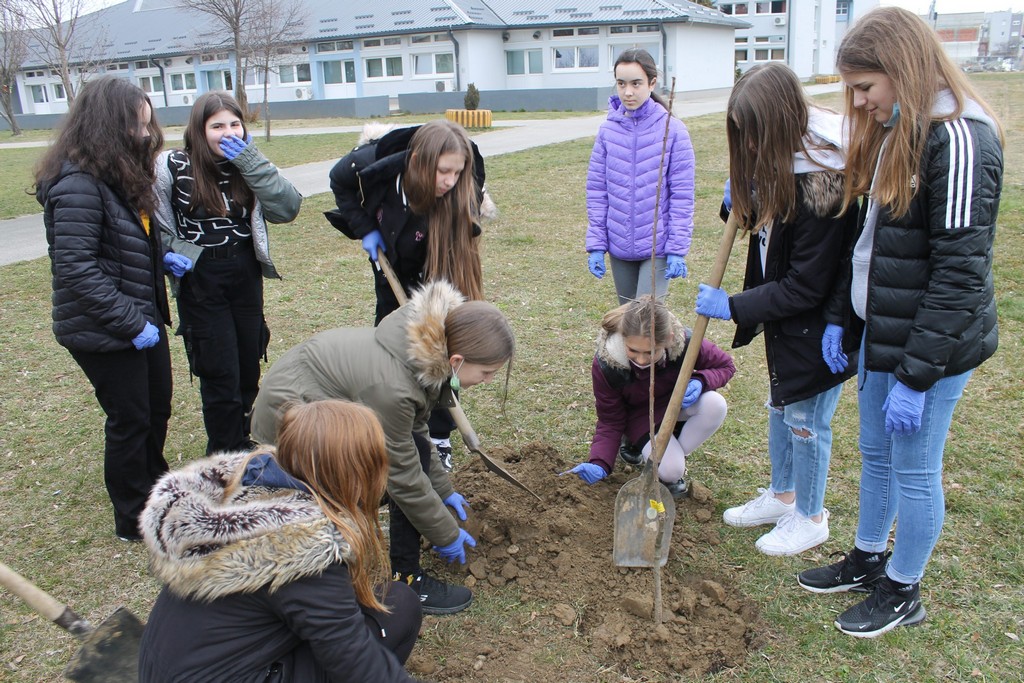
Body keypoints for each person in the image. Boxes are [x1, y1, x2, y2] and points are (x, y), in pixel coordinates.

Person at [795, 7, 1003, 638]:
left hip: (928, 348)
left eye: (865, 87)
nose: (857, 102)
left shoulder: (960, 139)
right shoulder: (898, 130)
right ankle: (867, 555)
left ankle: (904, 587)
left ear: (903, 69)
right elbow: (869, 243)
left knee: (914, 467)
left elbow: (960, 273)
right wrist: (842, 318)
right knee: (877, 456)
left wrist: (917, 376)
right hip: (881, 332)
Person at [249, 280, 515, 615]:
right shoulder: (392, 385)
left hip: (327, 406)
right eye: (487, 372)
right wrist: (446, 534)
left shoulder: (424, 354)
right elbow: (402, 474)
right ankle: (404, 578)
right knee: (360, 488)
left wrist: (442, 488)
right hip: (292, 425)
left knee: (408, 458)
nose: (488, 380)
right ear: (458, 360)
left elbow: (414, 430)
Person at [695, 62, 860, 556]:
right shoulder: (780, 161)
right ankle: (783, 495)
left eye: (753, 134)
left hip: (817, 325)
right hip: (784, 322)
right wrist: (735, 203)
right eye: (740, 134)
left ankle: (810, 515)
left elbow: (805, 286)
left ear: (780, 123)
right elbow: (763, 225)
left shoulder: (822, 182)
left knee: (807, 420)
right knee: (781, 408)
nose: (746, 145)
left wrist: (735, 306)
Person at [138, 400, 423, 681]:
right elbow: (357, 661)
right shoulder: (303, 548)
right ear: (353, 474)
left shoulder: (248, 489)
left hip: (166, 669)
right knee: (400, 609)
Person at [35, 76, 172, 542]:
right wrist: (132, 322)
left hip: (140, 318)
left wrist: (162, 258)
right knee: (130, 417)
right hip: (104, 329)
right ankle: (133, 515)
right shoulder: (77, 185)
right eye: (135, 127)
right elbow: (76, 268)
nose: (143, 135)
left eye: (145, 126)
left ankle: (157, 489)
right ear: (107, 127)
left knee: (157, 408)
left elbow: (127, 245)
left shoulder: (117, 176)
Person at [328, 119, 494, 471]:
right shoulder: (372, 163)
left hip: (443, 260)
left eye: (456, 172)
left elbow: (457, 255)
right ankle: (390, 431)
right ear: (418, 159)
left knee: (441, 348)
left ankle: (439, 436)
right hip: (392, 261)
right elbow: (339, 182)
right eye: (443, 171)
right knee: (390, 348)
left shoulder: (461, 189)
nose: (450, 180)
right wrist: (365, 228)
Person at [154, 91, 302, 455]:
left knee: (248, 361)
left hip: (244, 272)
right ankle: (223, 453)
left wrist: (252, 160)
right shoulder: (172, 165)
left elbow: (287, 208)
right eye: (217, 125)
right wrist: (171, 253)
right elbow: (154, 227)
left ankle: (244, 441)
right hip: (200, 276)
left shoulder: (248, 163)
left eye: (234, 123)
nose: (228, 132)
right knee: (219, 369)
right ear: (199, 130)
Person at [566, 296, 734, 497]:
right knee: (672, 471)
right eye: (633, 351)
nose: (641, 360)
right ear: (623, 338)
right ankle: (648, 449)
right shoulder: (608, 364)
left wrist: (701, 380)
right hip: (641, 418)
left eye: (650, 352)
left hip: (677, 403)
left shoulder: (686, 343)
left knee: (715, 405)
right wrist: (600, 462)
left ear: (669, 339)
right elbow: (610, 420)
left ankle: (671, 449)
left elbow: (726, 366)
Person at [585, 47, 695, 304]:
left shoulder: (674, 130)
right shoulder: (607, 132)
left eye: (636, 83)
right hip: (619, 246)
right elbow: (597, 192)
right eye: (621, 84)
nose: (628, 92)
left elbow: (682, 196)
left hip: (657, 247)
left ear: (652, 83)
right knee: (627, 323)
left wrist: (677, 249)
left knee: (646, 323)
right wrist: (597, 244)